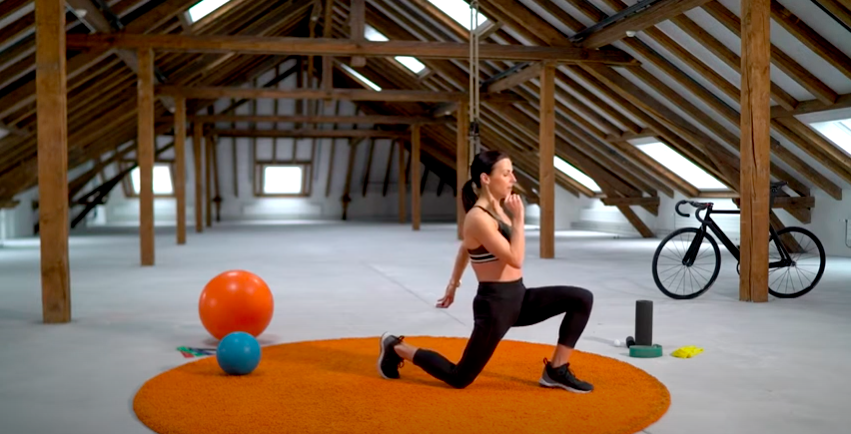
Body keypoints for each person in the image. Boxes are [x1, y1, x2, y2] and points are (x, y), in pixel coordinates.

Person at [377, 150, 595, 392]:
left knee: (581, 299)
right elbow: (515, 259)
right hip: (495, 307)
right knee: (459, 378)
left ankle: (556, 370)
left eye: (512, 172)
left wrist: (453, 284)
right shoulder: (477, 218)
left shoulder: (497, 210)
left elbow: (465, 247)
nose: (513, 179)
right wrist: (519, 219)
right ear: (485, 178)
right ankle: (396, 347)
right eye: (506, 173)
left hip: (518, 297)